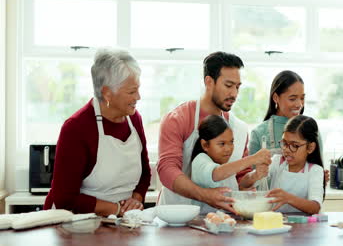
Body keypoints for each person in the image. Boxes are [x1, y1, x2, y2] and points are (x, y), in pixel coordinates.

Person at [157, 51, 271, 212]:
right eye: (228, 86)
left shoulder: (238, 129)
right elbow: (167, 171)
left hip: (222, 221)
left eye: (237, 87)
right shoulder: (178, 119)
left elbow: (239, 180)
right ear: (209, 82)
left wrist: (255, 175)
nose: (234, 94)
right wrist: (204, 195)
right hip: (177, 218)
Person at [44, 48, 151, 217]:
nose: (138, 97)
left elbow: (145, 173)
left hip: (122, 221)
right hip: (76, 224)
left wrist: (136, 200)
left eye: (138, 89)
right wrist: (117, 210)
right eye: (131, 92)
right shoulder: (76, 128)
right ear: (107, 93)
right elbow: (65, 197)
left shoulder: (134, 119)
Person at [249, 70, 329, 185]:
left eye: (302, 98)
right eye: (292, 99)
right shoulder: (258, 133)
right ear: (276, 97)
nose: (299, 104)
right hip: (269, 201)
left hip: (302, 201)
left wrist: (321, 178)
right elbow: (251, 182)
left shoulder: (310, 129)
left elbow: (317, 175)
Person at [242, 115, 325, 214]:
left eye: (295, 145)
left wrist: (288, 198)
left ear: (310, 147)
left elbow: (315, 207)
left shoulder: (315, 170)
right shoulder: (277, 162)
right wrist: (255, 175)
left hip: (302, 226)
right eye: (284, 143)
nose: (286, 150)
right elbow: (243, 184)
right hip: (276, 223)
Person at [190, 115, 271, 213]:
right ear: (205, 145)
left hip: (228, 220)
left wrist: (255, 175)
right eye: (222, 144)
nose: (228, 148)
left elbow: (240, 186)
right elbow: (216, 174)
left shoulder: (226, 165)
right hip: (204, 221)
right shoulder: (200, 160)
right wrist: (253, 159)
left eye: (231, 142)